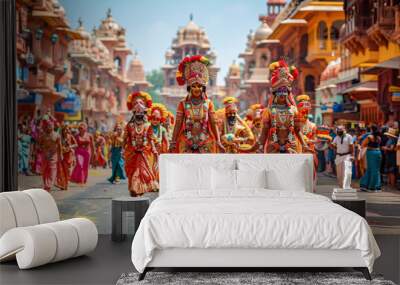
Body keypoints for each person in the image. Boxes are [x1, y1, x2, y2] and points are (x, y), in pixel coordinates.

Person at [170, 55, 224, 153]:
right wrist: (173, 142)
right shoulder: (183, 104)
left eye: (199, 86)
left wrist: (218, 141)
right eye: (193, 86)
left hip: (205, 140)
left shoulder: (208, 103)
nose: (196, 89)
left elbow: (213, 123)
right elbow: (178, 124)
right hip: (186, 140)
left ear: (203, 88)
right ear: (189, 88)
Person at [258, 60, 308, 154]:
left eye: (285, 91)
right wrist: (260, 146)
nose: (282, 93)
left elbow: (297, 130)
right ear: (275, 94)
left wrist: (304, 145)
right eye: (280, 91)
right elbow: (264, 132)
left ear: (288, 93)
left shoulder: (293, 110)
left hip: (291, 146)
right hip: (273, 146)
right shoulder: (269, 111)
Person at [124, 91, 158, 196]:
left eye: (141, 111)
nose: (139, 111)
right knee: (133, 171)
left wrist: (154, 149)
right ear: (133, 113)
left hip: (144, 152)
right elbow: (125, 139)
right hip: (132, 153)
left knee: (142, 172)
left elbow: (150, 138)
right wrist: (122, 149)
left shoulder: (148, 126)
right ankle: (135, 188)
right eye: (136, 110)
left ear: (144, 113)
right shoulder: (129, 126)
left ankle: (138, 188)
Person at [37, 120, 62, 192]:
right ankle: (45, 184)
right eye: (48, 126)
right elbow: (39, 144)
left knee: (52, 169)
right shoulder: (43, 135)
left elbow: (60, 145)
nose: (50, 127)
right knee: (45, 170)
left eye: (51, 125)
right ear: (46, 127)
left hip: (53, 155)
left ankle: (49, 185)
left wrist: (61, 155)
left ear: (53, 126)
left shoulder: (57, 135)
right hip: (44, 155)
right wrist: (42, 149)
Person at [147, 103, 169, 180]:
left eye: (157, 119)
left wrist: (168, 148)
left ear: (161, 119)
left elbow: (166, 140)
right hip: (149, 151)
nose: (155, 121)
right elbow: (147, 138)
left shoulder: (163, 129)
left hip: (159, 150)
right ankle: (151, 182)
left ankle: (158, 181)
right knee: (150, 165)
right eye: (153, 119)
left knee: (158, 166)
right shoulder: (148, 128)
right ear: (150, 118)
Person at [359, 125, 382, 191]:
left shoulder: (369, 137)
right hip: (378, 152)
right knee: (376, 170)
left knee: (370, 169)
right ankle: (376, 186)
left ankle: (368, 186)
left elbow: (363, 144)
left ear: (371, 130)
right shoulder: (378, 137)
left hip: (371, 153)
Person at [56, 125, 77, 190]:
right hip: (62, 155)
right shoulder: (59, 137)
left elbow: (76, 144)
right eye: (65, 130)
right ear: (62, 131)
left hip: (69, 155)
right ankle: (63, 185)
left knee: (68, 171)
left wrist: (70, 147)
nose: (66, 131)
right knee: (62, 170)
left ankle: (65, 183)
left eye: (68, 129)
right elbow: (57, 145)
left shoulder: (70, 136)